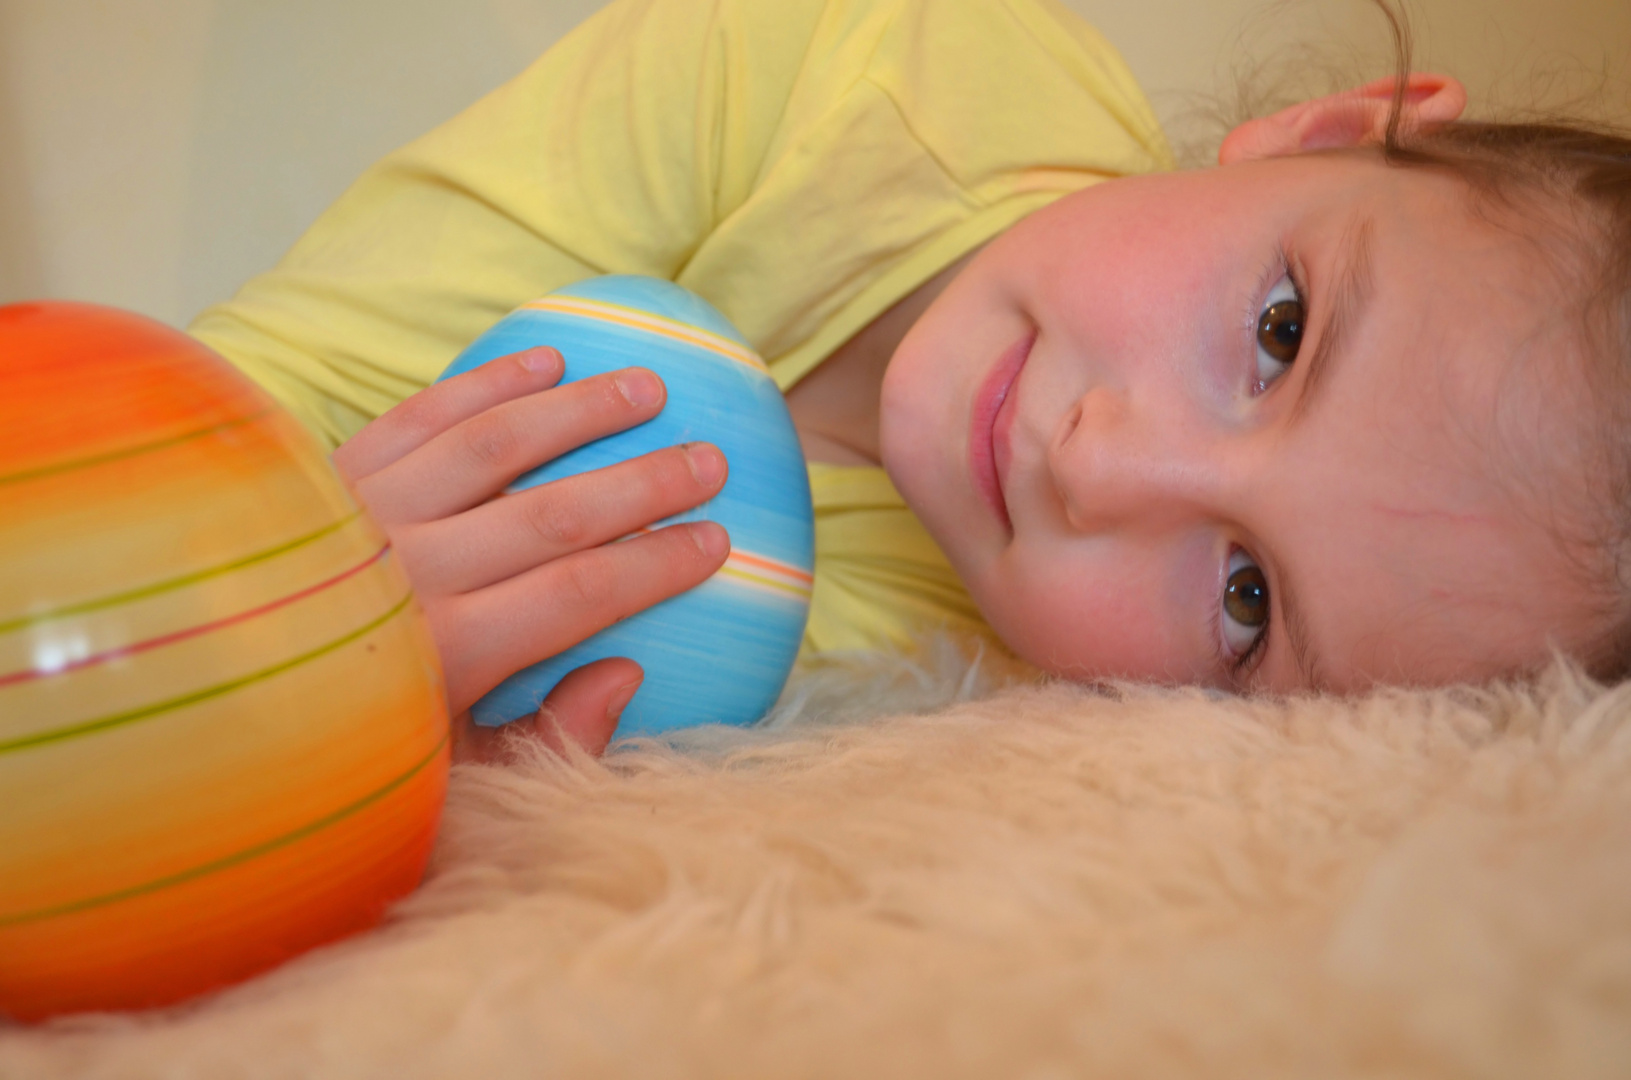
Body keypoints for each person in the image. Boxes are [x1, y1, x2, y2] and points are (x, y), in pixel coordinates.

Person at [189, 0, 1631, 757]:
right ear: (1324, 129)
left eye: (1247, 601)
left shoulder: (980, 710)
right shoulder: (860, 51)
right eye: (1280, 332)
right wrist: (302, 634)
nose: (1098, 462)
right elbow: (214, 429)